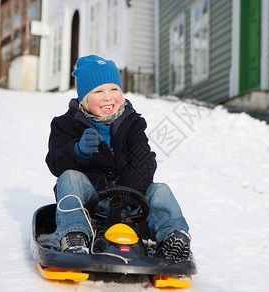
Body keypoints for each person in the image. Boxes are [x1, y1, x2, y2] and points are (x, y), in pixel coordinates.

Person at [45, 55, 191, 261]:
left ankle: (173, 236)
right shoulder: (66, 124)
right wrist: (78, 150)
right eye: (98, 91)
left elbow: (144, 163)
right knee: (69, 177)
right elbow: (55, 163)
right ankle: (74, 235)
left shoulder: (132, 123)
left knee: (160, 190)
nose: (108, 97)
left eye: (114, 89)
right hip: (89, 200)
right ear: (84, 98)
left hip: (130, 197)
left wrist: (123, 200)